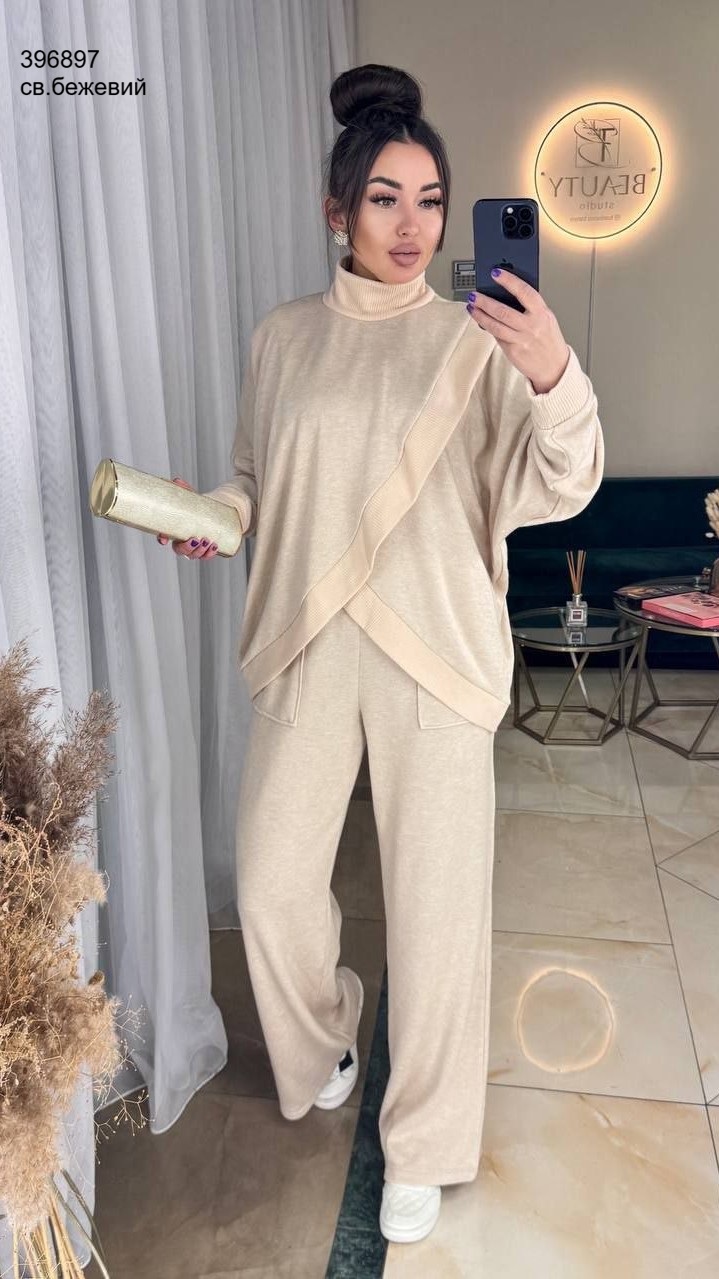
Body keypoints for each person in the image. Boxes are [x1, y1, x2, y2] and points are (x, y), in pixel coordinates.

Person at [158, 63, 604, 1246]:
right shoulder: (282, 338)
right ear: (335, 209)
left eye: (430, 200)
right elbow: (255, 478)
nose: (411, 226)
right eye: (384, 199)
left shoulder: (474, 341)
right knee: (270, 880)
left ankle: (424, 1141)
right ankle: (325, 1039)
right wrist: (217, 517)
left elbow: (562, 479)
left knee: (436, 909)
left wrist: (550, 370)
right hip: (307, 638)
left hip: (433, 649)